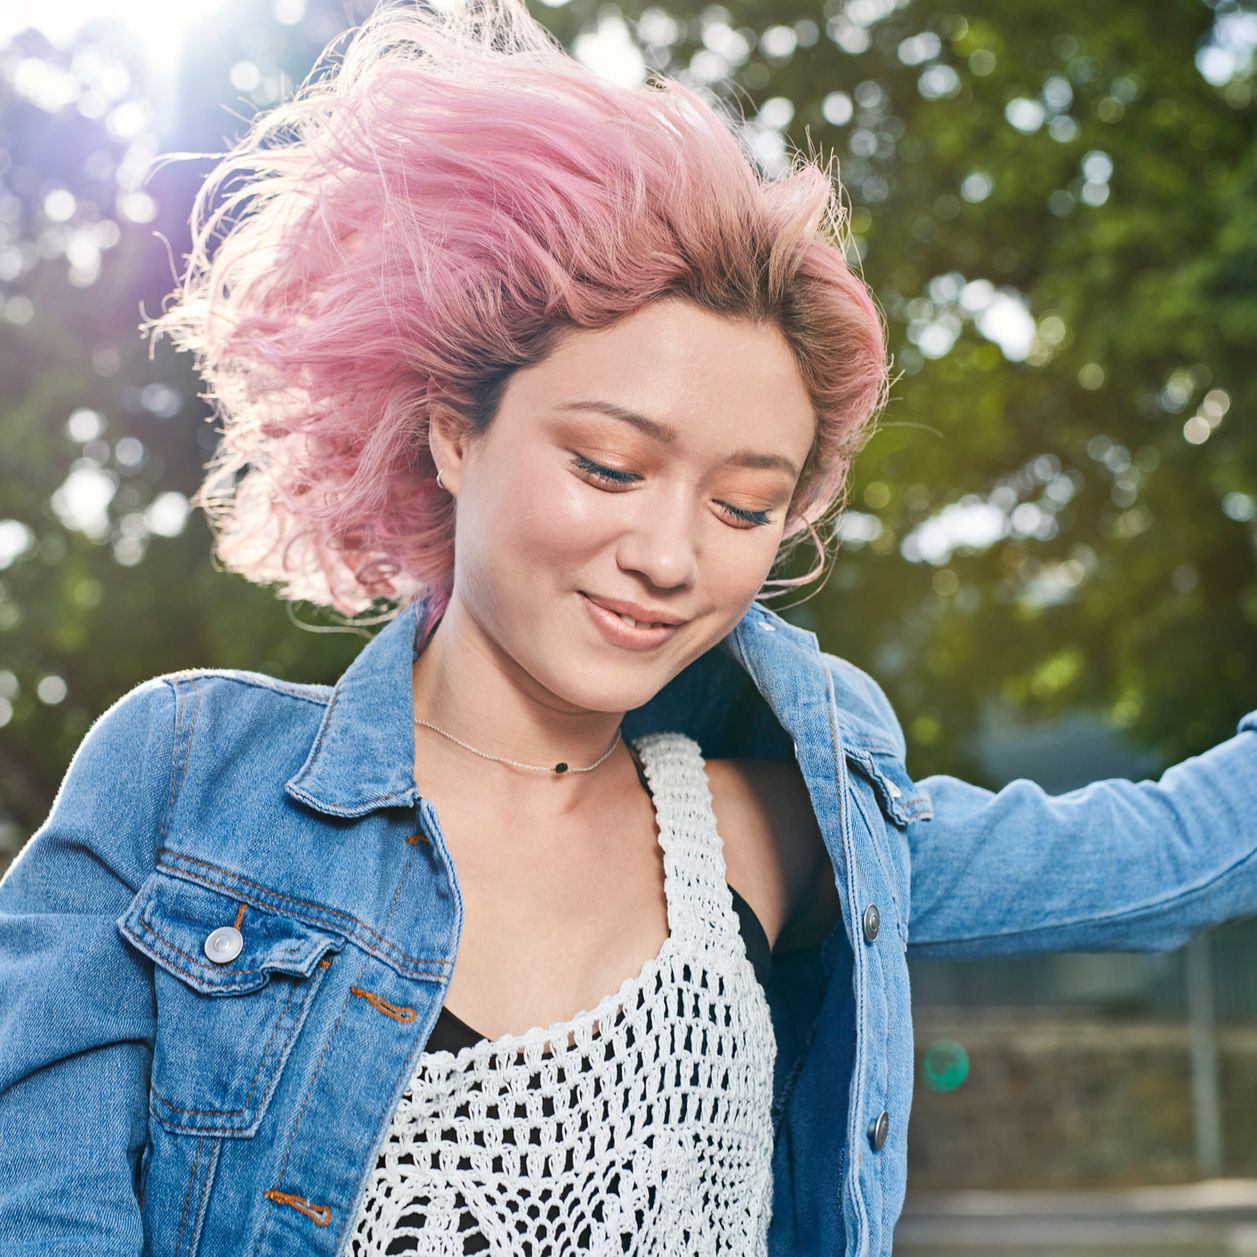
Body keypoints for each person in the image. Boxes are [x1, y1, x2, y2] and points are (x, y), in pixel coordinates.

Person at [1, 1, 1255, 1253]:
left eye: (745, 503)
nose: (668, 557)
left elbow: (1181, 855)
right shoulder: (187, 785)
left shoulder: (787, 834)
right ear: (454, 430)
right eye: (608, 466)